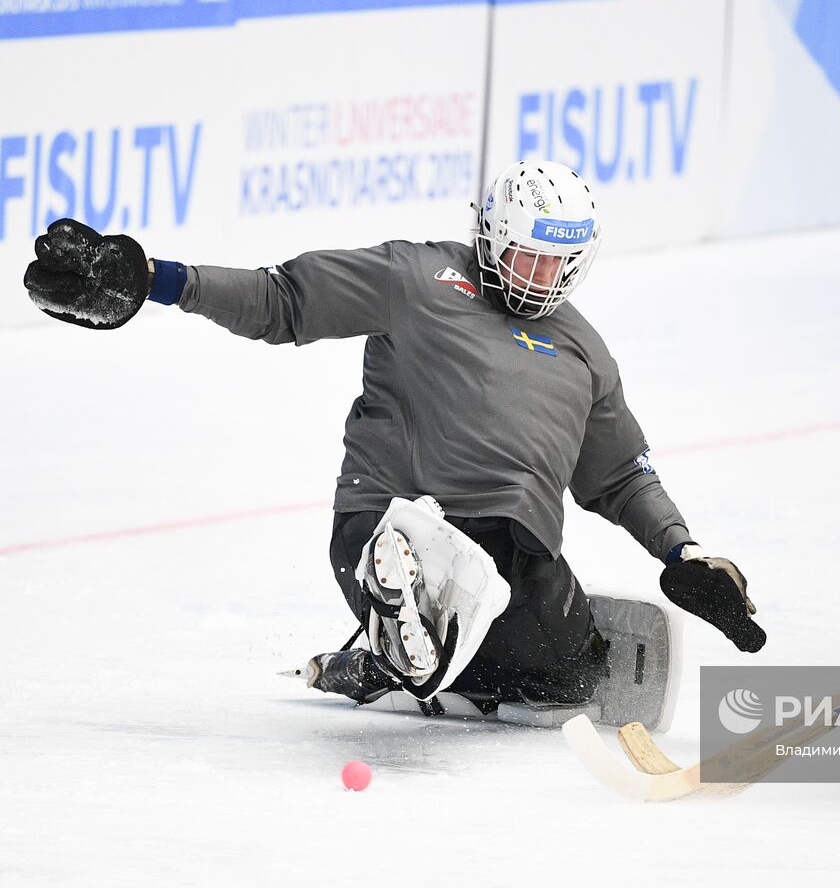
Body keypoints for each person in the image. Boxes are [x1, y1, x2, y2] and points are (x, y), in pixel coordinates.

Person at [22, 159, 767, 722]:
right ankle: (406, 577)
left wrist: (684, 551)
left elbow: (621, 477)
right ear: (490, 235)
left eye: (553, 262)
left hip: (519, 557)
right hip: (392, 511)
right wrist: (154, 276)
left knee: (567, 675)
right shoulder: (416, 275)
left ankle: (396, 652)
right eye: (522, 253)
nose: (535, 275)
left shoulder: (585, 351)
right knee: (447, 559)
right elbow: (283, 298)